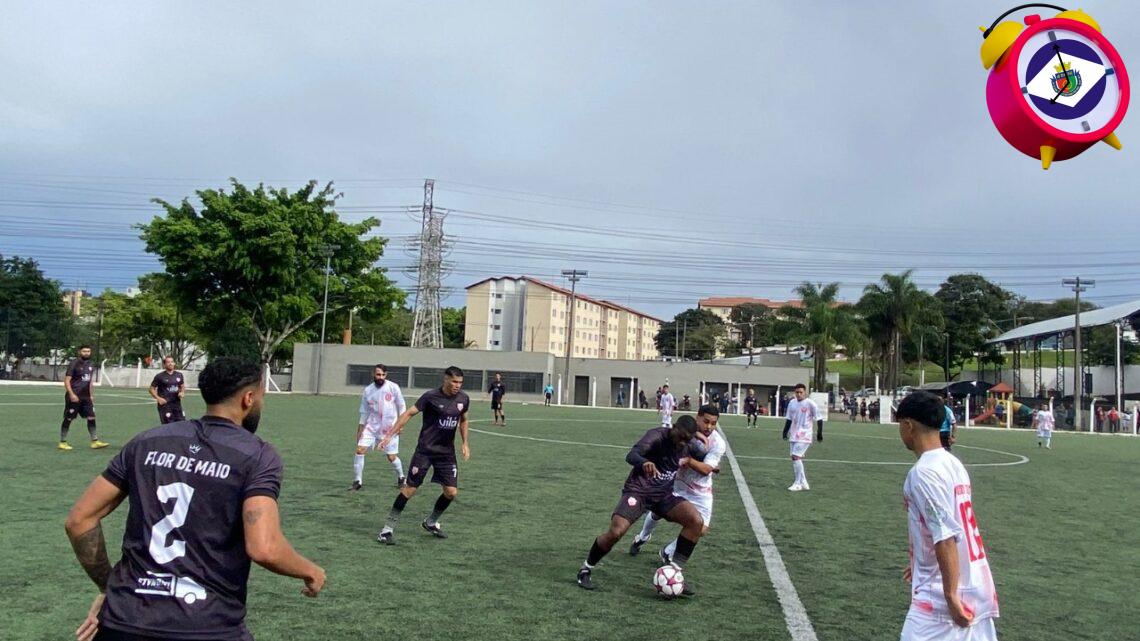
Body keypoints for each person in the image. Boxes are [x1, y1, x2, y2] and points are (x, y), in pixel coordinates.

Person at [64, 358, 325, 641]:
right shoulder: (258, 456)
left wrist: (109, 587)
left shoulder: (145, 442)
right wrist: (310, 570)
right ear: (249, 398)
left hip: (124, 619)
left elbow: (79, 520)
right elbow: (265, 548)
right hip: (206, 624)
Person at [896, 391, 999, 641]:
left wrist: (950, 595)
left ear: (908, 425)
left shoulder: (923, 473)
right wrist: (921, 558)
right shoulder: (952, 463)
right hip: (975, 584)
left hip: (939, 601)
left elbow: (946, 536)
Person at [576, 415, 705, 593]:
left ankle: (675, 574)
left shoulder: (689, 444)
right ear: (673, 427)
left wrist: (704, 440)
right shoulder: (657, 436)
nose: (683, 443)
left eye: (687, 439)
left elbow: (705, 457)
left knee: (696, 522)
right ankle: (586, 569)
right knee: (616, 532)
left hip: (663, 495)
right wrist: (644, 462)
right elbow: (631, 455)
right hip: (639, 491)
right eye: (681, 437)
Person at [377, 366, 470, 544]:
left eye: (460, 382)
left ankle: (431, 522)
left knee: (451, 492)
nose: (457, 385)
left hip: (446, 453)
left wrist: (465, 443)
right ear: (445, 379)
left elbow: (463, 420)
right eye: (454, 382)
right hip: (425, 451)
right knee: (410, 489)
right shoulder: (430, 397)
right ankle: (386, 530)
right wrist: (390, 435)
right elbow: (409, 413)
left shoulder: (463, 399)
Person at [629, 405, 724, 576]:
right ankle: (642, 537)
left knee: (700, 528)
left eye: (713, 423)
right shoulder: (686, 432)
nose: (709, 427)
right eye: (706, 422)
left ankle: (668, 551)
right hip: (676, 482)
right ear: (698, 418)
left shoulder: (718, 443)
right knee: (658, 513)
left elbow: (705, 469)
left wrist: (689, 461)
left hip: (700, 490)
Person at [351, 364, 407, 491]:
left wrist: (400, 424)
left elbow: (402, 406)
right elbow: (364, 411)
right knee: (360, 450)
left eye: (383, 375)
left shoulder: (393, 387)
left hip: (389, 428)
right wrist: (360, 429)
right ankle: (357, 481)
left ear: (386, 375)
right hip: (372, 427)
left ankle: (402, 477)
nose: (380, 377)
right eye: (378, 374)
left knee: (391, 457)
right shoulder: (368, 390)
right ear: (373, 374)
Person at [61, 345, 108, 451]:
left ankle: (94, 441)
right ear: (79, 352)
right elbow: (67, 380)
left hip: (86, 397)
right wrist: (72, 394)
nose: (86, 353)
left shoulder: (91, 364)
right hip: (74, 395)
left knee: (91, 417)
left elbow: (90, 381)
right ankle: (62, 442)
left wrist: (91, 395)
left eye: (88, 351)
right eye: (84, 351)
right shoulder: (74, 363)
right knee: (69, 418)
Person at [782, 384, 822, 491]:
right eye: (797, 392)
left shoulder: (810, 404)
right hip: (794, 434)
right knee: (794, 458)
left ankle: (798, 483)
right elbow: (789, 418)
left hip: (805, 434)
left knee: (796, 456)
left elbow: (819, 418)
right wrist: (785, 431)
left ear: (805, 392)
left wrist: (819, 433)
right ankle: (804, 482)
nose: (799, 394)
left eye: (801, 392)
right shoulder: (792, 403)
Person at [148, 356, 186, 425]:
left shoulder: (179, 375)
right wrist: (158, 398)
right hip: (165, 406)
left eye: (172, 362)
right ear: (164, 364)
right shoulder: (159, 376)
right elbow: (151, 389)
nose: (170, 363)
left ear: (174, 363)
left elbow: (182, 386)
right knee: (168, 427)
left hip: (177, 405)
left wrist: (182, 392)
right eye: (168, 362)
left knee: (182, 425)